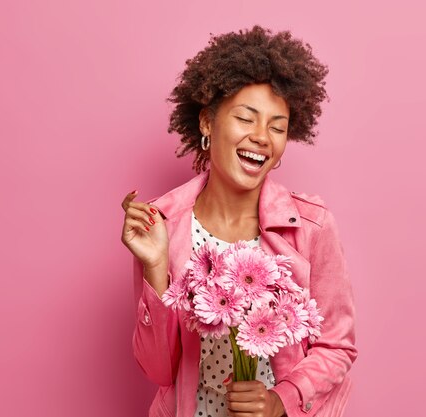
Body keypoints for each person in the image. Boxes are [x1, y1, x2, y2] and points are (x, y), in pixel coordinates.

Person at [120, 25, 357, 417]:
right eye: (246, 119)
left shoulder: (311, 225)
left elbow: (337, 344)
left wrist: (282, 399)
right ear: (207, 124)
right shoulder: (163, 226)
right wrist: (155, 265)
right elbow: (158, 369)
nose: (262, 137)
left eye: (277, 127)